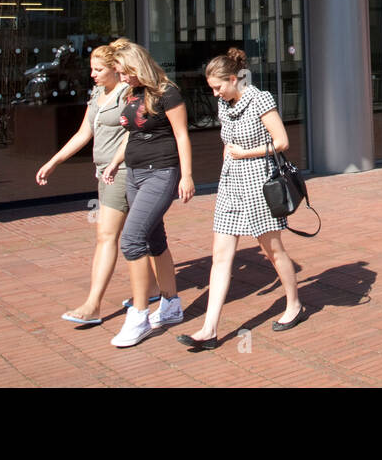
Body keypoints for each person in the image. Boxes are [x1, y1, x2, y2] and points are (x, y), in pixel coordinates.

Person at [177, 48, 304, 351]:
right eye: (212, 89)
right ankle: (209, 329)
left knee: (273, 250)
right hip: (231, 183)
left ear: (234, 79)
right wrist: (228, 153)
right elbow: (228, 139)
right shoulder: (225, 103)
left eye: (219, 87)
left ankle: (295, 304)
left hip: (259, 182)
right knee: (221, 255)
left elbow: (282, 142)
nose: (215, 94)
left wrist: (245, 153)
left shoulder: (259, 98)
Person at [36, 42, 159, 325]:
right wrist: (54, 161)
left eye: (99, 69)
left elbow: (133, 133)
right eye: (91, 69)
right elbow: (84, 133)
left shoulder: (128, 94)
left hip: (124, 171)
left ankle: (93, 304)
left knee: (106, 235)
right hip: (104, 172)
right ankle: (155, 288)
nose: (93, 74)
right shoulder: (97, 94)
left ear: (116, 69)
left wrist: (116, 162)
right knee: (145, 233)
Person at [100, 41, 196, 347]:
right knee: (155, 239)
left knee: (131, 239)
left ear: (137, 66)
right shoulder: (134, 93)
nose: (122, 77)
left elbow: (182, 135)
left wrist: (188, 175)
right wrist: (115, 163)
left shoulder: (168, 92)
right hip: (135, 174)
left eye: (125, 72)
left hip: (161, 172)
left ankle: (139, 316)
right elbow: (132, 134)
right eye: (118, 72)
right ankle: (171, 305)